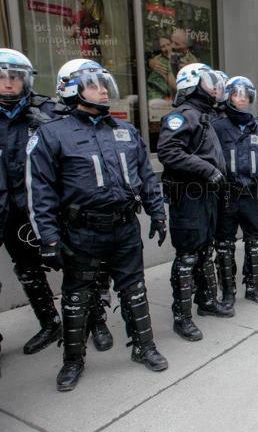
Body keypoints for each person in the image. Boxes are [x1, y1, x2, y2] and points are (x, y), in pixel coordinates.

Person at [27, 59, 168, 391]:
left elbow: (146, 176)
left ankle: (144, 347)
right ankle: (73, 360)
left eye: (104, 84)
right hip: (82, 231)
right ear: (71, 90)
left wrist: (158, 212)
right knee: (77, 296)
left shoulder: (124, 130)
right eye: (94, 84)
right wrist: (47, 238)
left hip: (124, 226)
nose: (103, 89)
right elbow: (40, 191)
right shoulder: (52, 134)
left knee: (134, 289)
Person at [158, 63, 233, 343]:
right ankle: (182, 317)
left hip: (206, 197)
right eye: (208, 82)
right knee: (188, 258)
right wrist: (208, 170)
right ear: (192, 84)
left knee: (204, 252)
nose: (215, 87)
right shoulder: (183, 116)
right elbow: (168, 151)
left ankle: (206, 302)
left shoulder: (202, 115)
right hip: (189, 197)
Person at [0, 49, 68, 356]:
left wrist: (49, 126)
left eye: (14, 78)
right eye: (1, 78)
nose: (8, 84)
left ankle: (54, 321)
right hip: (2, 205)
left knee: (33, 265)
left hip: (32, 206)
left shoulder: (45, 110)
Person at [212, 76, 258, 311]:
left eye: (245, 95)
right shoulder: (218, 126)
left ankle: (253, 287)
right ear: (229, 96)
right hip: (226, 194)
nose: (241, 99)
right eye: (236, 94)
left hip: (252, 193)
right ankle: (228, 292)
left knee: (254, 241)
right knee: (224, 245)